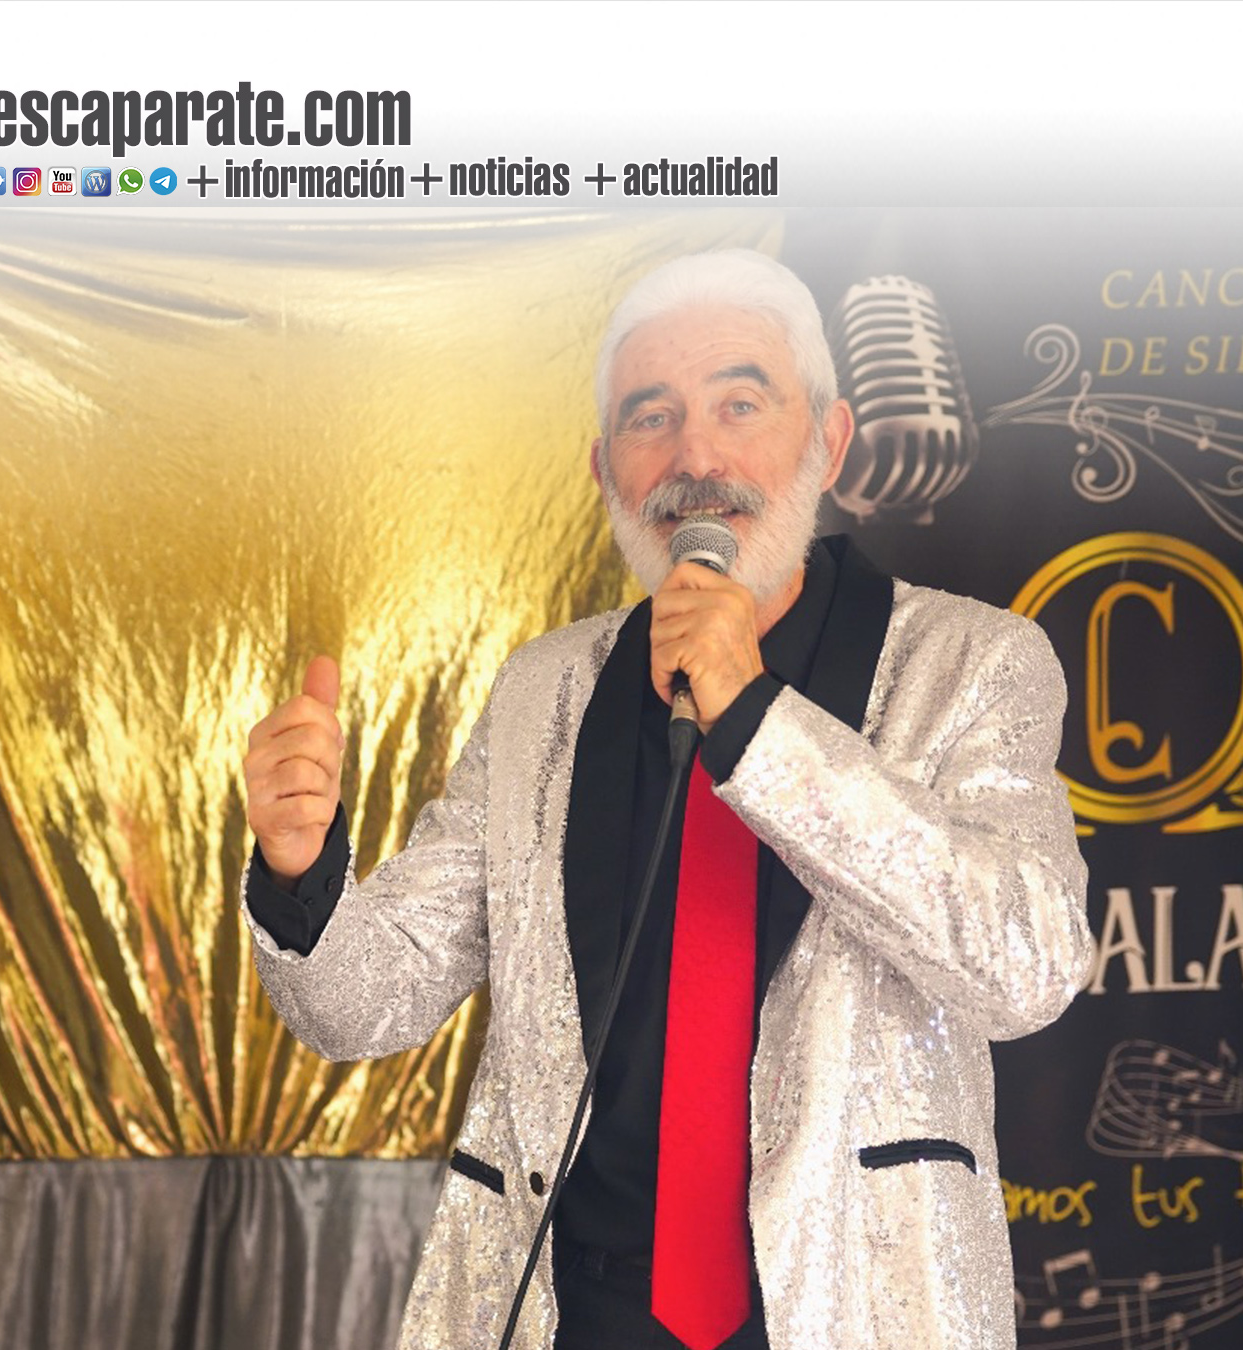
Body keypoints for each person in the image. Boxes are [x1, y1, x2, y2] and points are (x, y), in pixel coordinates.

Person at [238, 249, 1093, 1350]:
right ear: (606, 470)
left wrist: (755, 720)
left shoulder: (971, 661)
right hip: (576, 1311)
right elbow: (367, 1004)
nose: (696, 457)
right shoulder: (544, 690)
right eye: (652, 418)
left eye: (741, 404)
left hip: (853, 1312)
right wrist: (301, 871)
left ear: (829, 440)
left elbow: (1028, 966)